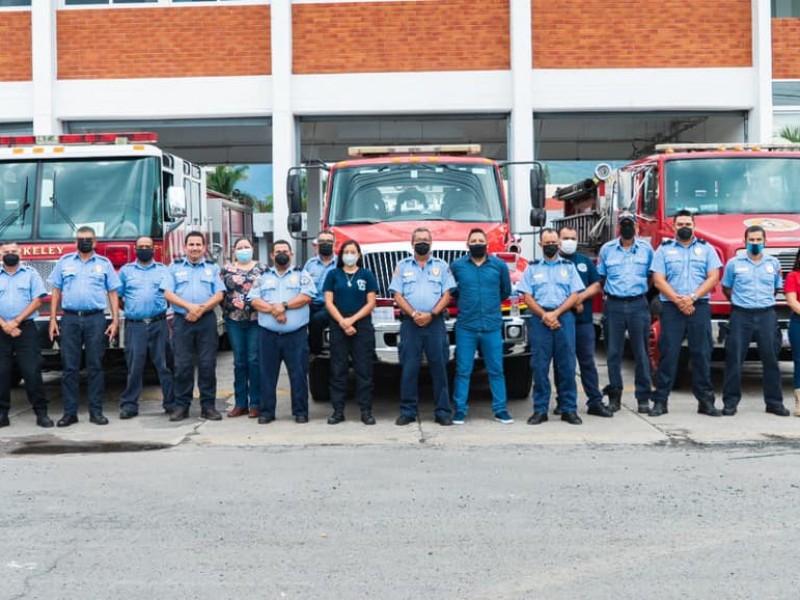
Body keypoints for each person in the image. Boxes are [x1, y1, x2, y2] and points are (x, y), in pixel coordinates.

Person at [649, 209, 722, 417]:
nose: (684, 227)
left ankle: (705, 402)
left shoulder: (707, 249)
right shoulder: (663, 250)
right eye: (680, 224)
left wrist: (692, 298)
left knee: (702, 354)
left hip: (698, 306)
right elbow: (658, 280)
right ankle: (660, 401)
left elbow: (713, 277)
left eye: (688, 224)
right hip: (672, 308)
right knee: (669, 354)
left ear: (694, 226)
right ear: (674, 226)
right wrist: (678, 300)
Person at [48, 226, 121, 427]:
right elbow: (55, 291)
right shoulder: (64, 262)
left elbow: (113, 293)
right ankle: (70, 413)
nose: (85, 242)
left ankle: (96, 412)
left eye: (88, 239)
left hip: (95, 319)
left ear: (95, 242)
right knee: (69, 367)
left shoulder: (104, 264)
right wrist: (53, 319)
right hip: (70, 319)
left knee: (95, 366)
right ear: (76, 241)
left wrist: (115, 320)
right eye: (81, 239)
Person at [517, 228, 585, 425]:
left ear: (559, 244)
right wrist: (545, 315)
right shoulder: (532, 268)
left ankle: (568, 409)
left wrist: (555, 314)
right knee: (539, 367)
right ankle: (540, 410)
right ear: (540, 245)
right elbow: (527, 297)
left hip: (564, 318)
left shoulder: (569, 267)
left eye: (553, 242)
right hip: (540, 320)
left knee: (567, 366)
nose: (551, 246)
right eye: (546, 243)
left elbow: (575, 295)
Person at [389, 227, 455, 426]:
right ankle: (408, 411)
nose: (422, 242)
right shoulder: (402, 266)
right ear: (412, 243)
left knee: (439, 367)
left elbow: (447, 294)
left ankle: (442, 411)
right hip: (410, 324)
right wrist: (414, 314)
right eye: (418, 240)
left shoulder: (442, 266)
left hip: (435, 323)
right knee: (409, 368)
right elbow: (397, 295)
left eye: (425, 239)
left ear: (431, 243)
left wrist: (432, 314)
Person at [721, 226, 788, 416]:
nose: (755, 243)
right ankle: (730, 402)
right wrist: (740, 303)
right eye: (752, 239)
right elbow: (727, 288)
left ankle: (774, 403)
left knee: (771, 359)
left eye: (759, 239)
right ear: (745, 242)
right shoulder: (734, 263)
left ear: (765, 241)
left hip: (766, 315)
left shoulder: (773, 264)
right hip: (741, 315)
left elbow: (775, 289)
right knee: (734, 359)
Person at [449, 228, 514, 425]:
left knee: (496, 370)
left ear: (487, 244)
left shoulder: (499, 266)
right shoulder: (457, 266)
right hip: (466, 327)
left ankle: (500, 410)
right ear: (467, 244)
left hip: (492, 325)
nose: (477, 243)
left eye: (480, 240)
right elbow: (452, 291)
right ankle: (459, 410)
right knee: (463, 370)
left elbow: (505, 291)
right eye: (473, 240)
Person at [248, 240, 316, 424]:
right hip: (268, 335)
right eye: (277, 251)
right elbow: (253, 299)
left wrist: (283, 306)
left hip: (296, 335)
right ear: (272, 255)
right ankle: (267, 412)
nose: (281, 254)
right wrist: (274, 310)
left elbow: (307, 296)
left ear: (291, 254)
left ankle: (300, 411)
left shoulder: (302, 274)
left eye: (284, 251)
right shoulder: (262, 277)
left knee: (299, 375)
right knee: (267, 375)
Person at [161, 231, 225, 422]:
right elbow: (168, 293)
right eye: (191, 244)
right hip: (183, 321)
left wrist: (201, 309)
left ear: (204, 248)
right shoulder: (174, 268)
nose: (195, 248)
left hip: (206, 321)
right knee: (182, 366)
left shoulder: (212, 269)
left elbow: (219, 294)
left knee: (207, 365)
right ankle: (182, 406)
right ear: (185, 247)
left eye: (199, 244)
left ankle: (208, 406)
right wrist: (190, 307)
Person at [596, 212, 653, 414]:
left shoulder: (647, 250)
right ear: (619, 227)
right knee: (613, 354)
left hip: (638, 304)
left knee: (641, 353)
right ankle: (615, 396)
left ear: (636, 227)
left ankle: (643, 398)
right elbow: (601, 279)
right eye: (623, 224)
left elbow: (651, 278)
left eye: (630, 224)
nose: (627, 227)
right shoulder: (607, 249)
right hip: (614, 305)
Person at [556, 226, 613, 418]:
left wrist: (579, 299)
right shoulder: (553, 262)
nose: (569, 241)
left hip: (584, 322)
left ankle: (594, 401)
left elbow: (596, 285)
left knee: (587, 362)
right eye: (566, 238)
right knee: (564, 364)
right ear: (558, 240)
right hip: (562, 321)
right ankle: (562, 402)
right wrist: (571, 303)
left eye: (573, 238)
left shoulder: (584, 261)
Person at [117, 236, 174, 419]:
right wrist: (133, 311)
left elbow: (169, 294)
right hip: (136, 326)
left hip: (159, 323)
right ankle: (129, 405)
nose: (144, 249)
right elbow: (118, 297)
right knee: (135, 366)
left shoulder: (163, 270)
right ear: (135, 249)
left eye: (147, 246)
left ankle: (171, 403)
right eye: (140, 247)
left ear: (154, 249)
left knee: (164, 366)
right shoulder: (126, 271)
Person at [323, 240, 378, 425]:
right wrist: (342, 322)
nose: (349, 255)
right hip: (338, 324)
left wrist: (352, 321)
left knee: (364, 370)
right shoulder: (333, 274)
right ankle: (338, 411)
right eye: (346, 251)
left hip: (361, 326)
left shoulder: (367, 274)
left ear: (359, 255)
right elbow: (329, 302)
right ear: (341, 255)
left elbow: (371, 302)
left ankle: (366, 411)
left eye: (353, 251)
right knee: (338, 369)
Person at [0, 241, 52, 428]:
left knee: (32, 372)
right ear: (0, 254)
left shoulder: (30, 274)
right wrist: (5, 325)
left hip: (25, 328)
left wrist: (16, 322)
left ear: (20, 253)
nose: (10, 254)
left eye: (14, 251)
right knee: (2, 373)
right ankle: (2, 415)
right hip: (1, 329)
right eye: (6, 251)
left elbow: (38, 301)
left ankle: (41, 413)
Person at [221, 237, 262, 418]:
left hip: (256, 320)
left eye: (246, 247)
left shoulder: (262, 269)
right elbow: (220, 294)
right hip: (234, 320)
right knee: (239, 362)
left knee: (254, 360)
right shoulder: (226, 270)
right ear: (234, 250)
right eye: (240, 247)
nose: (243, 250)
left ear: (252, 249)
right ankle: (240, 403)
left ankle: (255, 403)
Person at [305, 230, 337, 356]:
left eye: (329, 241)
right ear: (317, 244)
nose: (325, 244)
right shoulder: (310, 264)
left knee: (316, 320)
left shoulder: (339, 264)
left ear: (334, 244)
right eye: (322, 241)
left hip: (331, 305)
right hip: (311, 303)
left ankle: (315, 354)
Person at [784, 247, 800, 417]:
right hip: (798, 322)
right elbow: (792, 301)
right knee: (799, 361)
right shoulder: (792, 276)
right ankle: (799, 402)